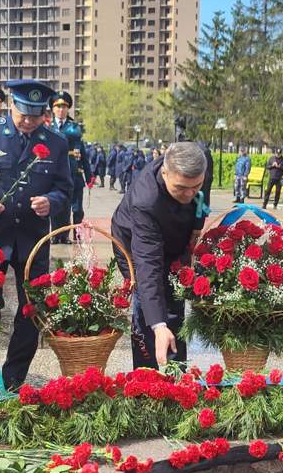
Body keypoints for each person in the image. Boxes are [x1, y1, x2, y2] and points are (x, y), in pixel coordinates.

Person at [0, 79, 72, 389]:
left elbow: (65, 188)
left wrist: (52, 202)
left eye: (36, 116)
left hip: (33, 238)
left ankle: (15, 371)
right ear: (11, 106)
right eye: (24, 115)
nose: (29, 122)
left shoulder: (56, 142)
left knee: (32, 306)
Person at [111, 142, 212, 368]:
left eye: (195, 186)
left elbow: (201, 192)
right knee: (148, 305)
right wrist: (158, 325)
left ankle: (177, 372)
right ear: (165, 173)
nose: (189, 194)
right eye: (180, 188)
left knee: (174, 299)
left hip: (175, 235)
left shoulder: (201, 158)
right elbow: (148, 267)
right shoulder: (145, 201)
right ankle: (147, 376)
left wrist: (198, 222)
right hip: (136, 242)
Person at [47, 91, 92, 244]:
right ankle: (55, 234)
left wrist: (89, 175)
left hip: (73, 173)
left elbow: (83, 153)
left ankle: (72, 235)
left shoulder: (74, 128)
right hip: (53, 173)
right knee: (55, 205)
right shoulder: (47, 127)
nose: (61, 109)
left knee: (74, 208)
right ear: (53, 109)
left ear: (68, 109)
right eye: (58, 106)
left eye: (64, 106)